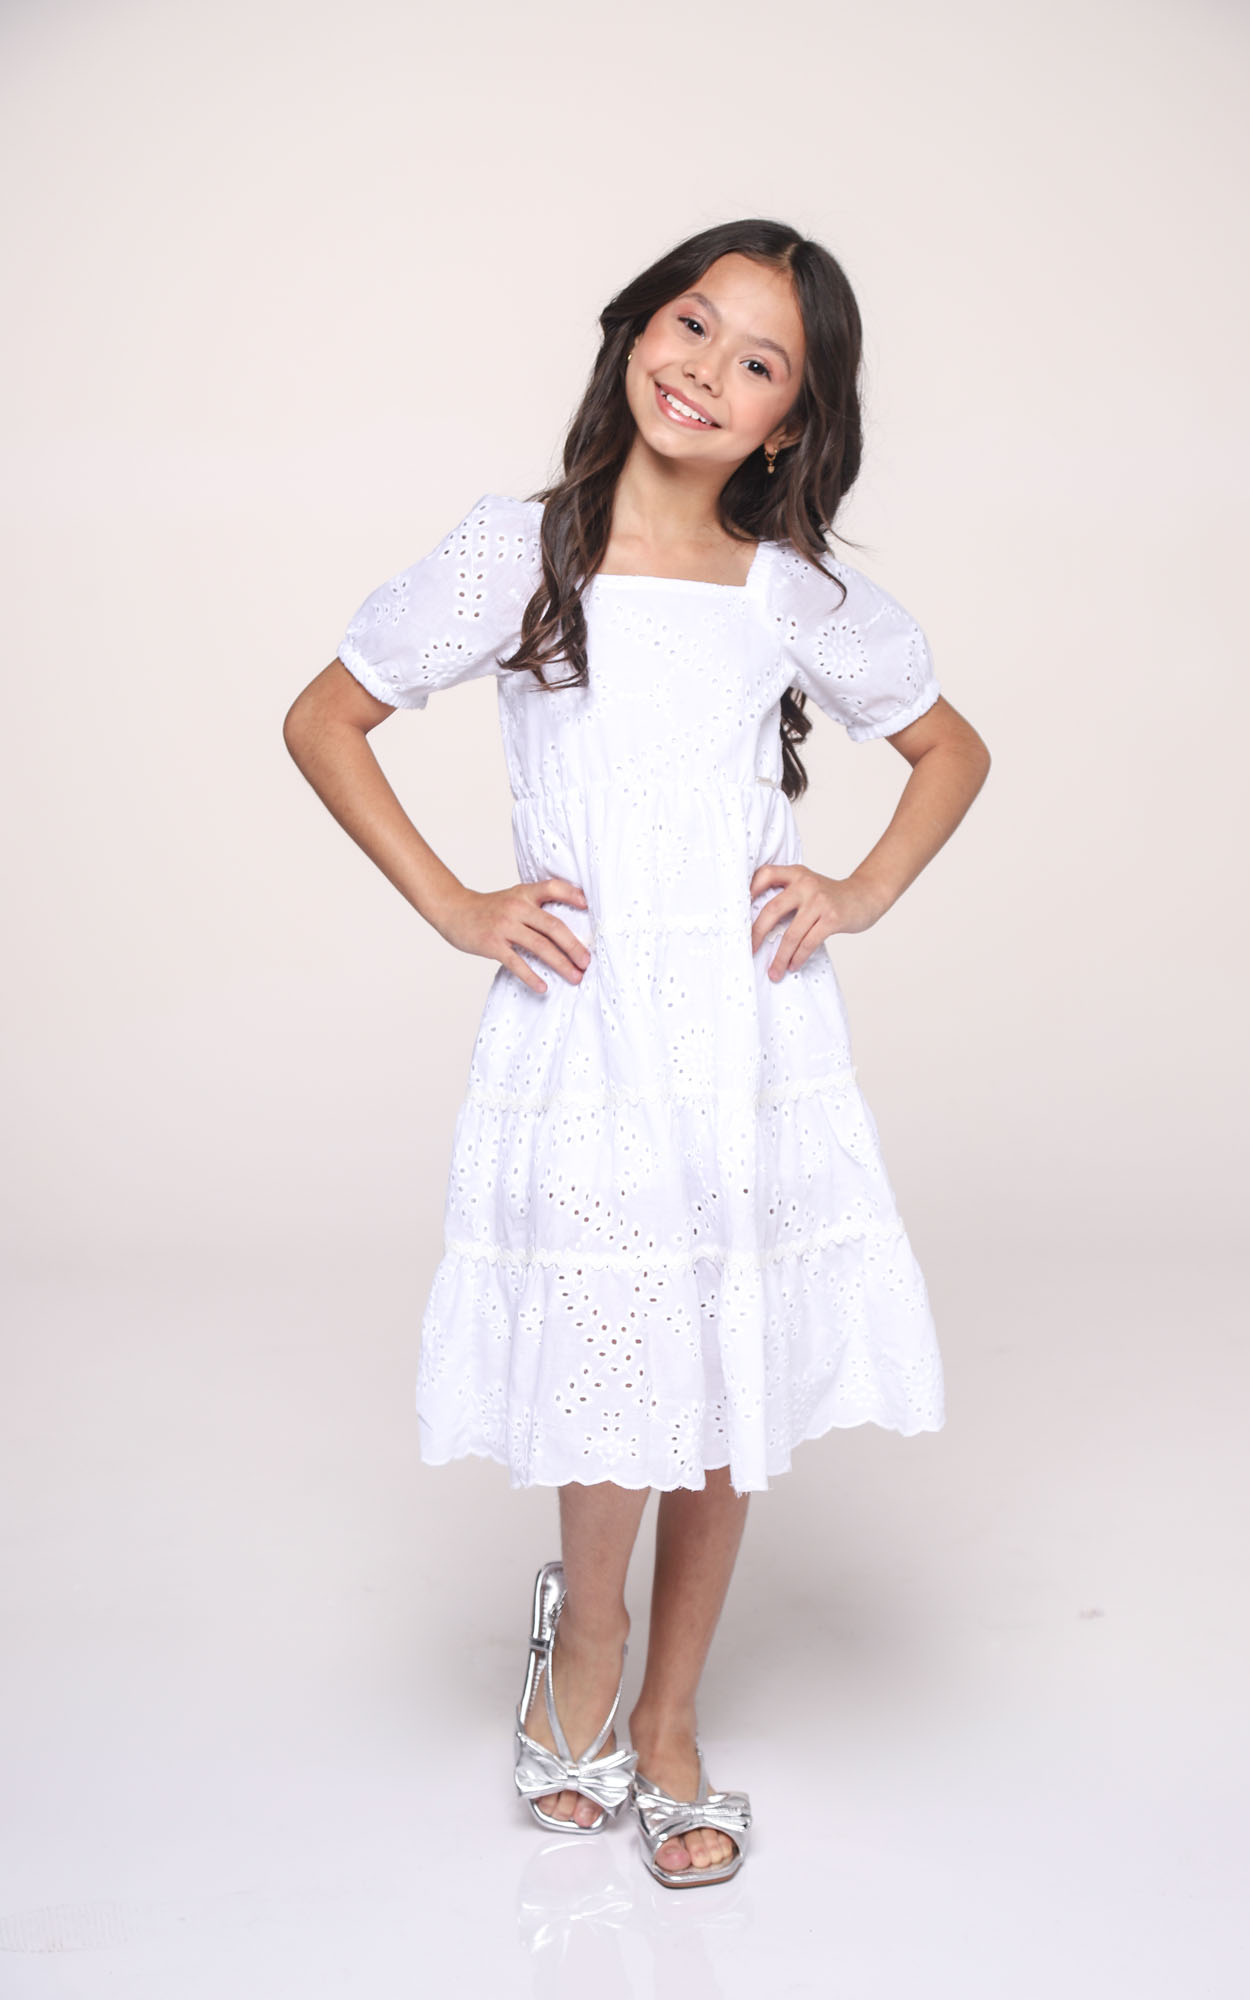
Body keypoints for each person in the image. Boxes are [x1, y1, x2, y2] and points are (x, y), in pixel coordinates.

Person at [283, 218, 991, 1888]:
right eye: (690, 323)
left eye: (758, 363)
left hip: (743, 1025)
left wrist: (856, 890)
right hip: (589, 1020)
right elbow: (326, 716)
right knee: (613, 1352)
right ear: (632, 330)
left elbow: (950, 748)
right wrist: (455, 902)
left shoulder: (787, 591)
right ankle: (583, 1651)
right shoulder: (520, 549)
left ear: (789, 424)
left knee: (724, 1362)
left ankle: (671, 1716)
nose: (704, 371)